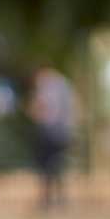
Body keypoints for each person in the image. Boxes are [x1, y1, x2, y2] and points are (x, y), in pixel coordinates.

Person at [28, 65, 79, 210]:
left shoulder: (48, 86)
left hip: (50, 131)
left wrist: (35, 110)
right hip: (63, 131)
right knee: (57, 166)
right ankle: (59, 199)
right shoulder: (64, 85)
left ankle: (47, 199)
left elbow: (40, 108)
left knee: (47, 167)